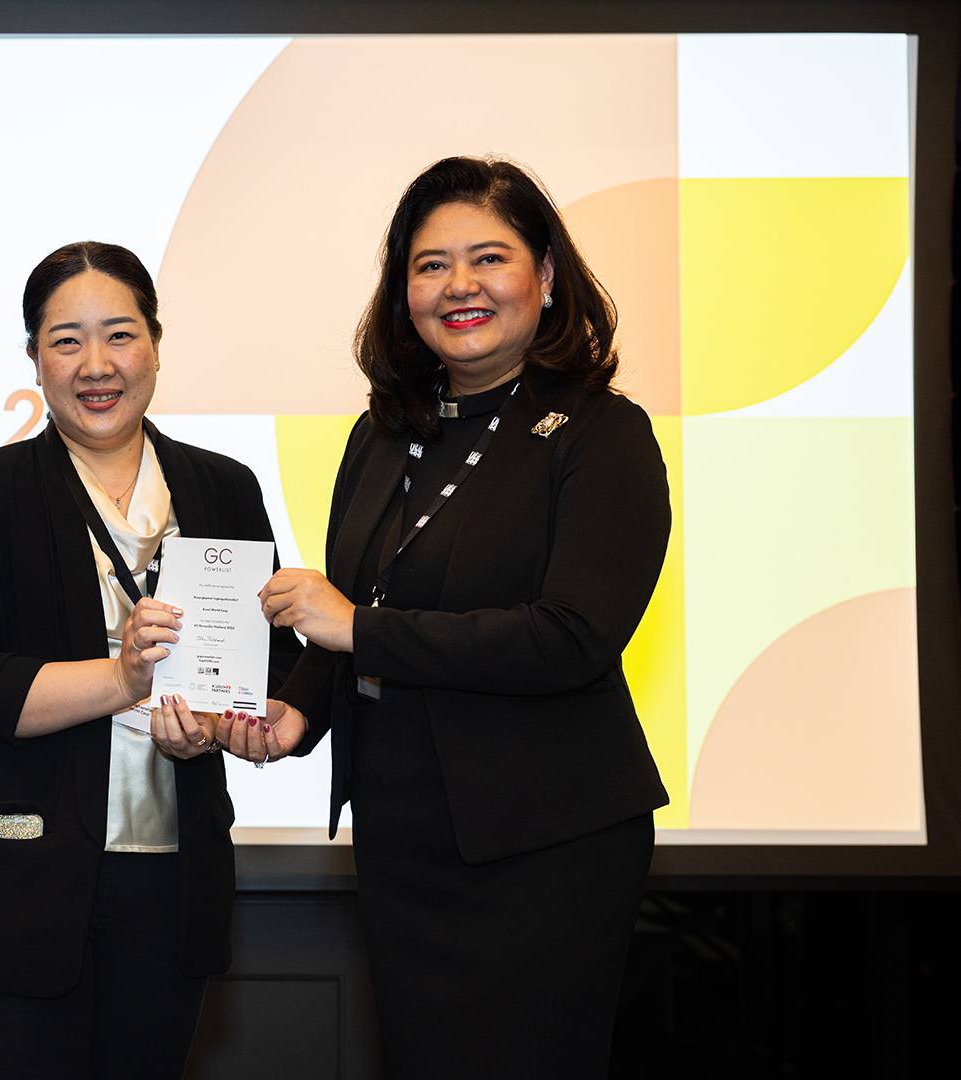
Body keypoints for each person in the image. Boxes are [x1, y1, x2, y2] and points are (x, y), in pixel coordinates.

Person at [244, 156, 672, 1078]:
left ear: (545, 276)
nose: (459, 286)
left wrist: (356, 630)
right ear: (402, 293)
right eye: (430, 265)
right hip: (403, 835)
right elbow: (362, 603)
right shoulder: (380, 433)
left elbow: (569, 638)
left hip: (542, 840)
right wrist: (296, 714)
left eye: (489, 258)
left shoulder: (601, 434)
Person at [0, 241, 301, 1080]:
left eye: (120, 335)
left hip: (172, 886)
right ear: (33, 359)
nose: (96, 365)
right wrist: (123, 680)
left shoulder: (222, 486)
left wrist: (244, 726)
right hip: (18, 887)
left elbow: (268, 666)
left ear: (156, 343)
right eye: (66, 341)